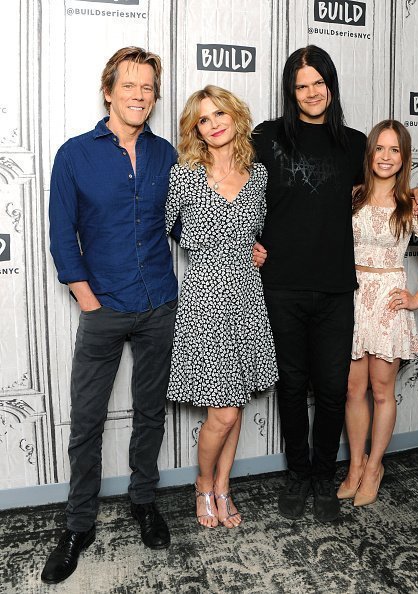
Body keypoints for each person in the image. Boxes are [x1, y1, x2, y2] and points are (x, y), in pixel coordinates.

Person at [252, 45, 418, 523]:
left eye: (320, 82)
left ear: (331, 86)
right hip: (283, 285)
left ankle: (321, 477)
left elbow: (386, 186)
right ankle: (297, 476)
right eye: (302, 85)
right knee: (293, 386)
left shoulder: (356, 144)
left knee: (334, 390)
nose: (312, 92)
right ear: (291, 92)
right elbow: (232, 183)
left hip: (340, 290)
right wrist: (241, 240)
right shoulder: (268, 137)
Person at [42, 47, 178, 584]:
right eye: (130, 86)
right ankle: (78, 523)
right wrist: (88, 300)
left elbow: (188, 221)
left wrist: (243, 247)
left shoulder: (167, 154)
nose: (140, 96)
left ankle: (144, 501)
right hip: (102, 307)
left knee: (150, 413)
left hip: (159, 304)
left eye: (148, 88)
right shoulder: (75, 154)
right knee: (88, 421)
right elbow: (61, 234)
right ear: (109, 90)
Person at [165, 85, 278, 529]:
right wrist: (208, 247)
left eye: (219, 114)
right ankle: (202, 484)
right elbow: (167, 230)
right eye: (203, 119)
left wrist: (254, 249)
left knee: (238, 402)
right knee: (223, 410)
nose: (213, 124)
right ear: (196, 128)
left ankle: (223, 485)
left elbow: (257, 230)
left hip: (248, 297)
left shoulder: (259, 174)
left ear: (235, 116)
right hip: (205, 300)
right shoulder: (184, 175)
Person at [337, 120, 418, 506]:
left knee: (382, 391)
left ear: (404, 157)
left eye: (394, 150)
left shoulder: (411, 204)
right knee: (353, 389)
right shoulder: (352, 196)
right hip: (352, 296)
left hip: (387, 300)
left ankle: (374, 467)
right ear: (369, 154)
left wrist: (416, 298)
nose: (386, 157)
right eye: (379, 149)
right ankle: (355, 465)